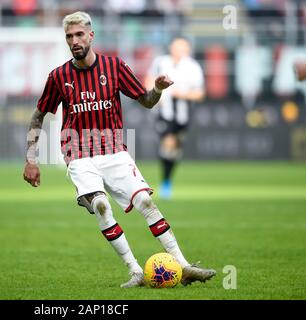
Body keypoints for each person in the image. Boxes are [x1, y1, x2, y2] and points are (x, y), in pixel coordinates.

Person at [23, 11, 216, 288]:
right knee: (101, 206)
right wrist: (31, 159)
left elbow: (147, 101)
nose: (74, 41)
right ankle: (136, 271)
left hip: (114, 151)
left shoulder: (114, 67)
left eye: (79, 34)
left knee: (147, 203)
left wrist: (158, 89)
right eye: (69, 36)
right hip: (79, 154)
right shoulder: (59, 76)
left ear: (91, 35)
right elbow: (38, 116)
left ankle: (184, 267)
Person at [146, 38, 205, 200]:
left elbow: (200, 94)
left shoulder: (193, 67)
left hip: (183, 115)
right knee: (169, 142)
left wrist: (182, 94)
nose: (180, 51)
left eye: (183, 48)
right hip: (164, 113)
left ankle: (166, 179)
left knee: (175, 151)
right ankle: (165, 184)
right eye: (177, 47)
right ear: (171, 48)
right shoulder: (161, 62)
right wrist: (153, 93)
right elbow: (148, 79)